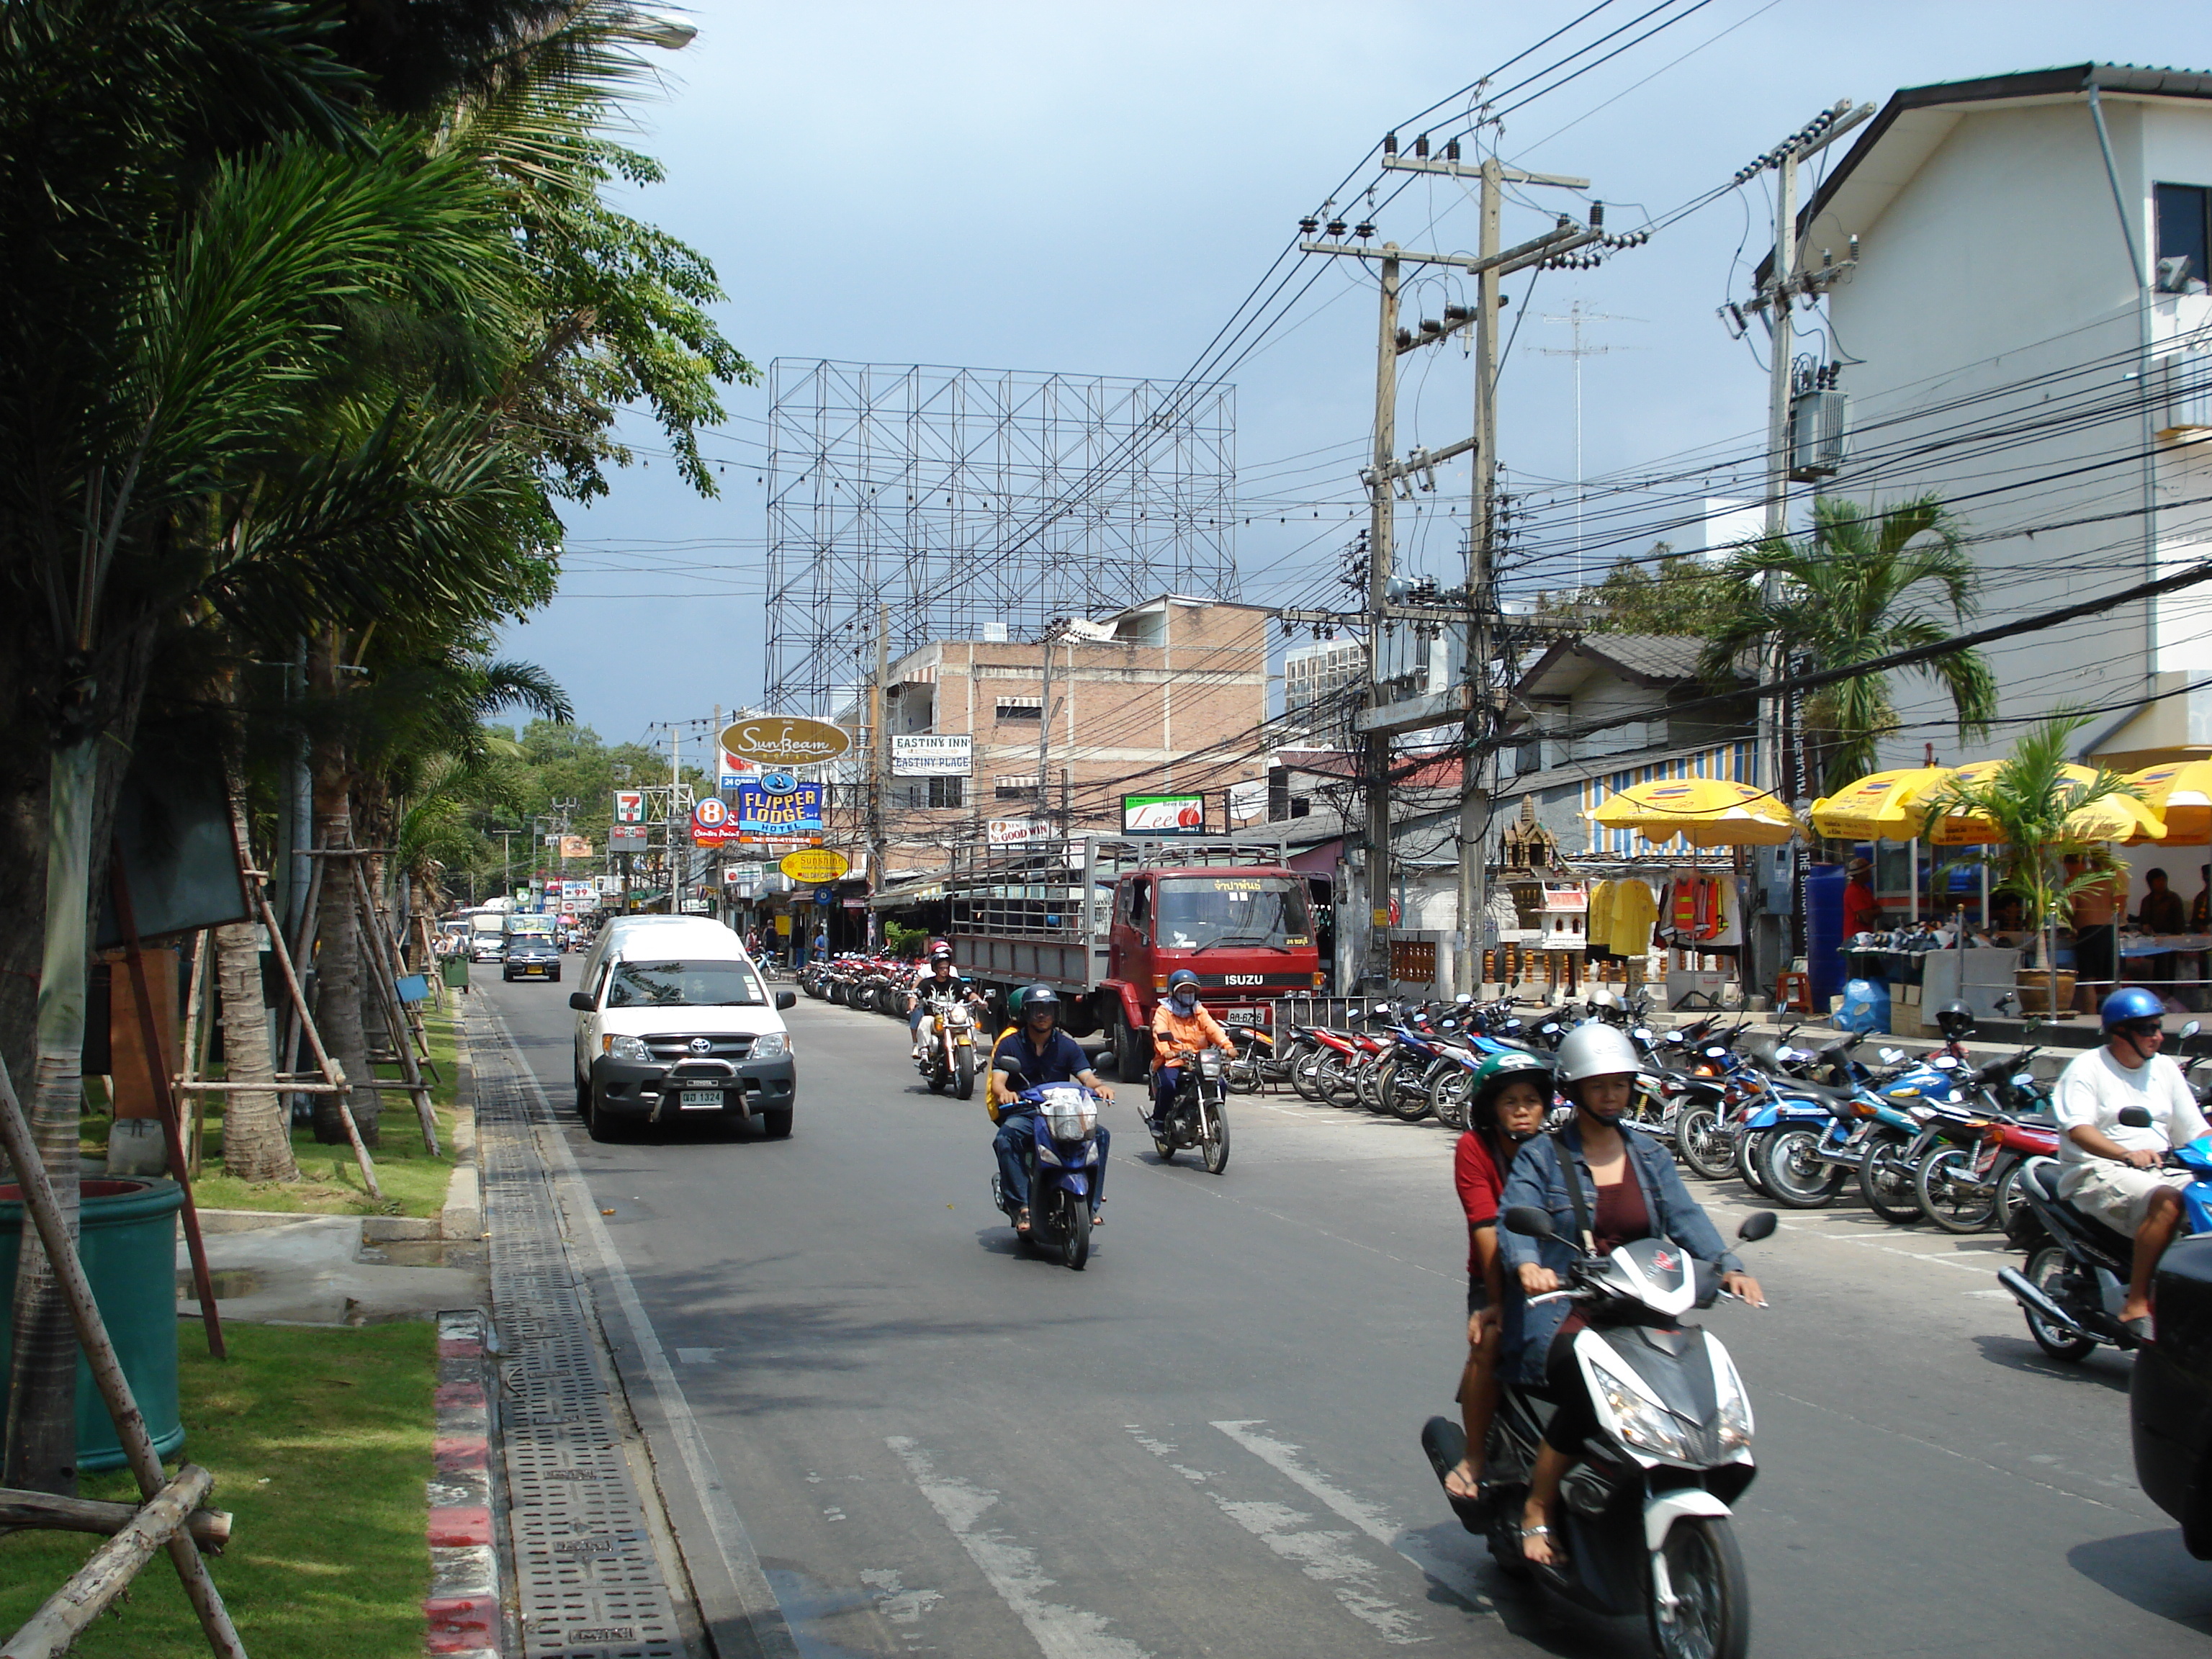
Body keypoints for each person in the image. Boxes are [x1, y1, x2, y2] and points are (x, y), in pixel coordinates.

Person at [1498, 1024, 1764, 1567]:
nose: (1613, 1095)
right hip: (1569, 1309)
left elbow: (1686, 1218)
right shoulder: (1543, 1158)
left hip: (1644, 1304)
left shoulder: (1648, 1154)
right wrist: (1529, 1266)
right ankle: (1537, 1508)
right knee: (1585, 1389)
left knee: (1690, 1377)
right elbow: (1517, 1219)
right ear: (1573, 1091)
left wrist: (1728, 1266)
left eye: (1620, 1084)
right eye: (1600, 1086)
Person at [2051, 986, 2211, 1334]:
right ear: (2120, 1033)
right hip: (2097, 1169)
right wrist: (2125, 1153)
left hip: (2161, 1168)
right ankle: (2136, 1302)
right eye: (2146, 1029)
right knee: (2170, 1203)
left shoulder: (2164, 1069)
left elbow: (2195, 1131)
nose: (2156, 1036)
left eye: (2158, 1027)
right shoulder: (2088, 1068)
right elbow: (2078, 1129)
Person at [1443, 1051, 1553, 1505]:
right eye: (1511, 1101)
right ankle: (1474, 1458)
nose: (1523, 1109)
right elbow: (1485, 1227)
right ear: (1491, 1108)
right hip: (1495, 1278)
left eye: (1532, 1099)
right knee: (1488, 1342)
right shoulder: (1475, 1148)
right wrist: (1497, 1301)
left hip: (1558, 1278)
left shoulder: (1557, 1150)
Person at [988, 985, 1112, 1233]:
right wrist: (1006, 1094)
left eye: (1047, 1010)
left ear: (1056, 1014)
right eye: (1036, 1010)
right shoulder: (1010, 1045)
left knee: (1100, 1135)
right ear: (1026, 1013)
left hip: (1062, 1112)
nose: (1042, 1015)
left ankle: (1091, 1205)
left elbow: (1086, 1076)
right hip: (1025, 1111)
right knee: (1006, 1138)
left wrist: (1100, 1087)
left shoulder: (1066, 1046)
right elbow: (999, 1082)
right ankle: (1021, 1205)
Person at [1146, 968, 1236, 1133]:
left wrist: (1227, 1046)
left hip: (1199, 1061)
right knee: (1168, 1086)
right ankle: (1159, 1120)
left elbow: (1213, 1029)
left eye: (1190, 990)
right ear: (1174, 993)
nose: (1187, 994)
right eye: (1183, 991)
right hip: (1172, 1060)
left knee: (1220, 1083)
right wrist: (1166, 1051)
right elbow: (1159, 1032)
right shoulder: (1164, 1011)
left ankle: (1212, 1117)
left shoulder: (1199, 1011)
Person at [907, 941, 981, 1058]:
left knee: (970, 1022)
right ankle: (924, 1053)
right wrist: (913, 1001)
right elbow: (916, 993)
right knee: (925, 1022)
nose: (945, 971)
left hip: (953, 1018)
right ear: (935, 969)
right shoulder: (927, 983)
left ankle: (974, 1055)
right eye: (941, 968)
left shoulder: (955, 982)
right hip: (934, 1017)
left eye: (946, 968)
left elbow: (968, 993)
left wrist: (979, 1000)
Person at [2065, 853, 2120, 1007]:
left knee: (2088, 981)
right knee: (2112, 980)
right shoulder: (2107, 881)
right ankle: (2120, 1014)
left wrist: (2070, 927)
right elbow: (2116, 907)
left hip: (2089, 931)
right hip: (2109, 930)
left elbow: (2071, 909)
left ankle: (2090, 1018)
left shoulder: (2074, 881)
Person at [2141, 868, 2189, 987]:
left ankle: (2169, 997)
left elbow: (2180, 922)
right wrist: (2145, 927)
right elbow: (2143, 921)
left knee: (2169, 973)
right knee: (2154, 973)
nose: (2161, 883)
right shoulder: (2147, 901)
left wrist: (2180, 943)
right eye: (2158, 881)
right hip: (2153, 943)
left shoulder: (2173, 899)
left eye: (2163, 880)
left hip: (2171, 941)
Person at [1842, 855, 1883, 940]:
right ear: (1861, 874)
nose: (1870, 874)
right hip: (1856, 939)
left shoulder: (1865, 889)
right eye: (1868, 872)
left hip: (1866, 936)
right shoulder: (1853, 891)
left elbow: (1880, 910)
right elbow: (1867, 918)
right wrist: (1872, 912)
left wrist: (1869, 913)